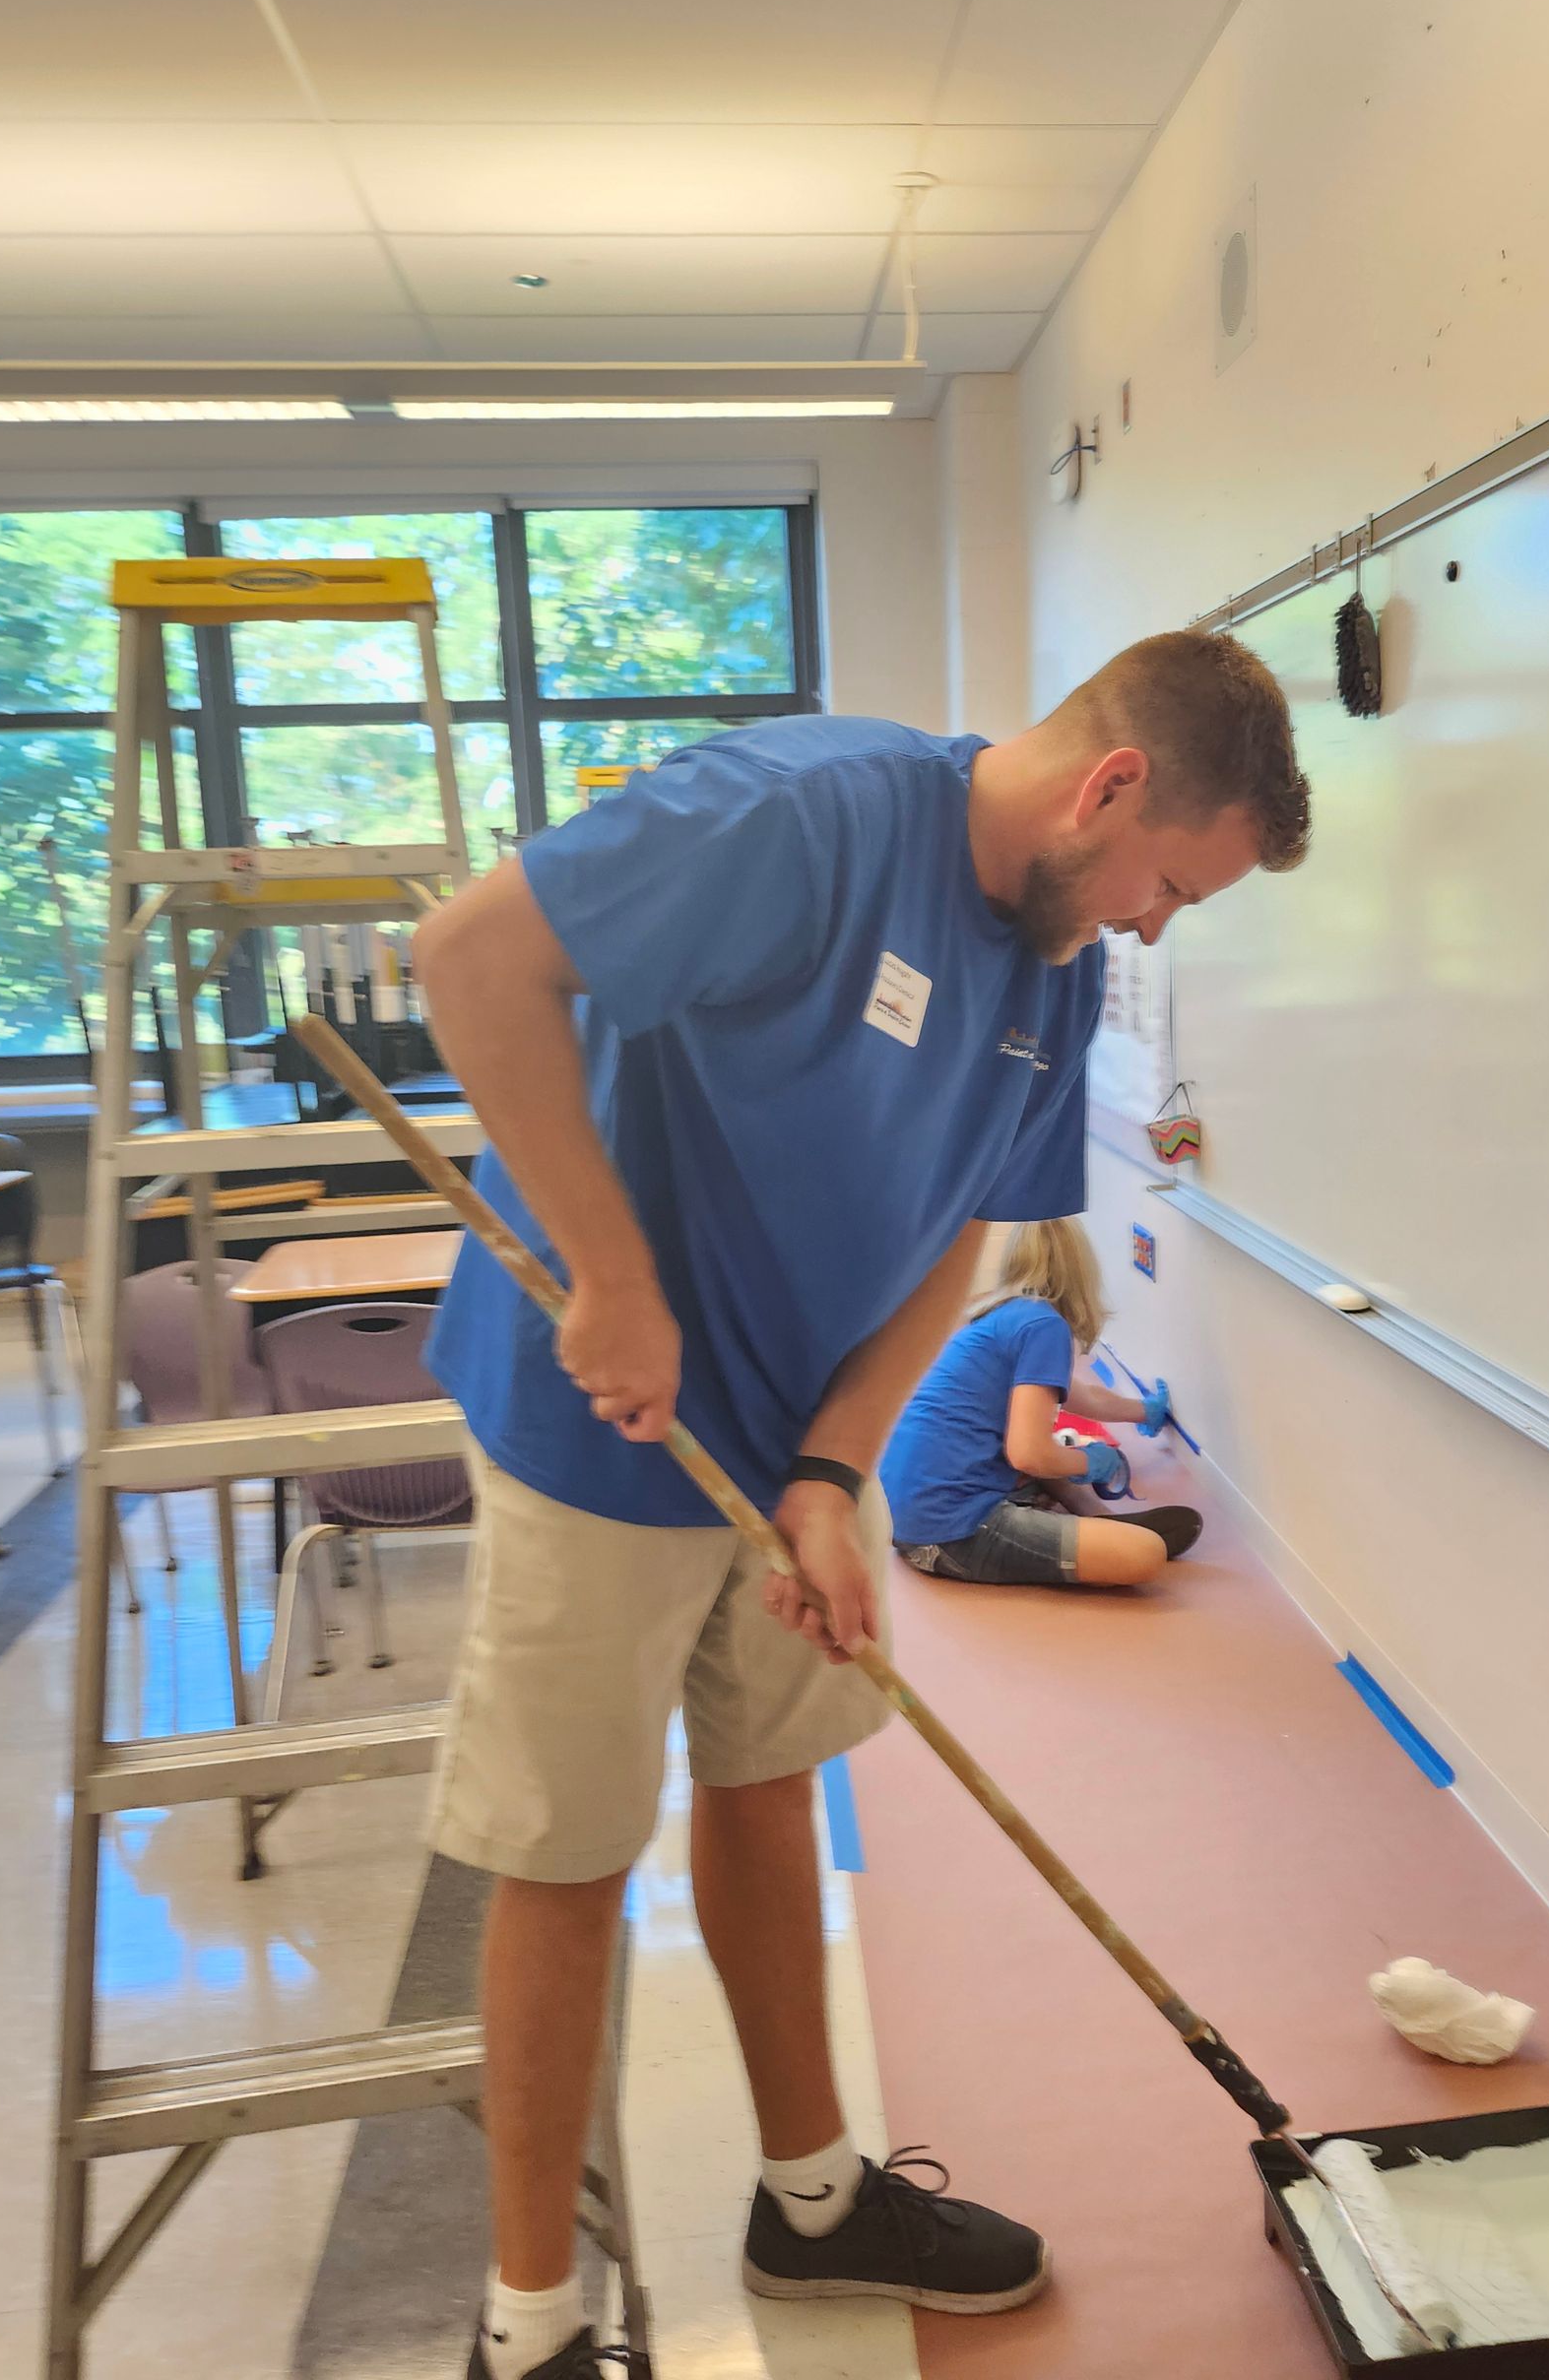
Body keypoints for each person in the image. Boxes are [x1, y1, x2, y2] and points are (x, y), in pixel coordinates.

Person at [412, 628, 1309, 2380]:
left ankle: (812, 2203)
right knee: (569, 1854)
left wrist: (835, 1472)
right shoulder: (805, 812)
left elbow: (962, 1230)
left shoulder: (1050, 964)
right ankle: (526, 2326)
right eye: (1168, 884)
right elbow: (471, 958)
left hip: (782, 1443)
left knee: (768, 1790)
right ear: (1112, 788)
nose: (1150, 927)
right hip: (604, 1424)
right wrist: (608, 1273)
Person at [883, 1218, 1201, 1586]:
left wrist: (1144, 1412)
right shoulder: (1044, 1327)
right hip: (952, 1530)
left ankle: (1095, 1520)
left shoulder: (1001, 1316)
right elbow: (1028, 1454)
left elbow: (1082, 1395)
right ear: (1081, 1270)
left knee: (1051, 1452)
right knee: (1145, 1553)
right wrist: (1093, 1462)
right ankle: (1092, 1530)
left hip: (910, 1512)